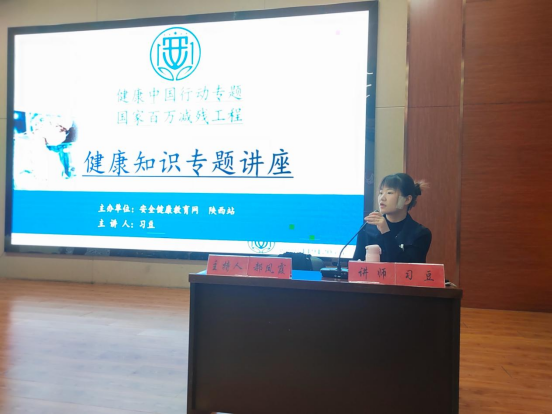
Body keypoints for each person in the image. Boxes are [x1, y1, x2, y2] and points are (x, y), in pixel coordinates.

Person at [352, 173, 431, 263]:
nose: (382, 198)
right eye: (381, 193)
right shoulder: (368, 228)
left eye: (389, 193)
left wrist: (386, 232)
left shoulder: (420, 234)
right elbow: (355, 265)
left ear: (407, 199)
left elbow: (406, 268)